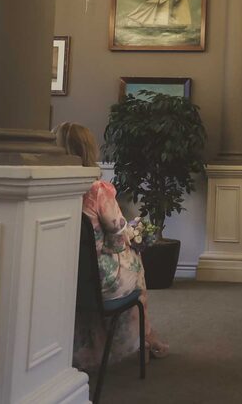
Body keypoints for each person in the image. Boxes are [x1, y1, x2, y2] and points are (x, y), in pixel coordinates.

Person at [54, 122, 169, 370]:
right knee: (136, 266)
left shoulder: (54, 189)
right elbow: (118, 234)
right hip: (99, 281)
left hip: (63, 276)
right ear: (88, 149)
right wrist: (136, 230)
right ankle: (144, 339)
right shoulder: (97, 190)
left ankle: (90, 350)